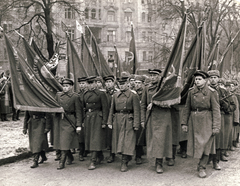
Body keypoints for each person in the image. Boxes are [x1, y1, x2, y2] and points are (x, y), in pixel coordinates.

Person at [181, 70, 221, 178]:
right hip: (194, 120)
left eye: (200, 79)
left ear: (205, 80)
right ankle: (200, 163)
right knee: (197, 144)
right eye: (196, 79)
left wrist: (216, 126)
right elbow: (187, 108)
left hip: (207, 120)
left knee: (206, 144)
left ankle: (202, 167)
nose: (197, 81)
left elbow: (216, 110)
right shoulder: (191, 92)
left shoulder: (212, 92)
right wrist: (184, 123)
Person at [141, 69, 173, 174]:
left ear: (159, 76)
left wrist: (155, 103)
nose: (152, 77)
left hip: (163, 117)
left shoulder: (165, 87)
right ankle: (155, 160)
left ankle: (160, 162)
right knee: (153, 140)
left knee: (162, 140)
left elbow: (170, 103)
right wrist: (143, 119)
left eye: (154, 75)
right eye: (150, 75)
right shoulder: (146, 88)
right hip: (151, 117)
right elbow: (143, 105)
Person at [107, 76, 140, 172]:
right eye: (120, 84)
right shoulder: (115, 95)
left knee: (127, 141)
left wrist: (136, 123)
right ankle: (125, 157)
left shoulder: (133, 95)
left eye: (123, 84)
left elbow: (137, 111)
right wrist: (109, 121)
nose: (122, 86)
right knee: (119, 141)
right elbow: (111, 109)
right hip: (117, 119)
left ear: (128, 84)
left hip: (128, 119)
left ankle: (124, 161)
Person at [207, 70, 236, 170]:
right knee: (207, 139)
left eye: (215, 77)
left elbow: (233, 106)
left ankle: (216, 161)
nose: (213, 79)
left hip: (221, 117)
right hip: (207, 117)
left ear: (218, 78)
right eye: (211, 77)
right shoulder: (205, 90)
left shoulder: (224, 91)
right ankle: (207, 158)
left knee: (219, 140)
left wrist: (225, 105)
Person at [53, 78, 83, 170]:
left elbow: (79, 112)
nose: (65, 88)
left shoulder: (75, 96)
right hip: (60, 120)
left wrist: (78, 125)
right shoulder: (58, 95)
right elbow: (54, 107)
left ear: (71, 87)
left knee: (65, 140)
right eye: (63, 86)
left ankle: (62, 161)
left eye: (67, 86)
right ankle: (70, 156)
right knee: (61, 141)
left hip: (70, 120)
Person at [82, 76, 108, 170]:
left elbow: (105, 108)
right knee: (90, 139)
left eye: (92, 83)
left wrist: (104, 121)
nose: (90, 85)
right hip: (88, 118)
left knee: (95, 139)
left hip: (97, 117)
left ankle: (92, 160)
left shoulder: (101, 94)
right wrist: (82, 120)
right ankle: (99, 155)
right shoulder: (85, 94)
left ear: (96, 84)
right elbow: (82, 108)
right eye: (88, 83)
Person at [103, 75, 118, 163]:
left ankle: (112, 154)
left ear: (113, 83)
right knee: (107, 136)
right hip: (106, 115)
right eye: (107, 82)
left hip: (114, 116)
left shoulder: (117, 93)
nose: (108, 84)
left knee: (113, 136)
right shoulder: (103, 93)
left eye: (110, 82)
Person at [134, 75, 145, 165]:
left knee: (139, 136)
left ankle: (138, 156)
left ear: (143, 84)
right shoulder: (132, 92)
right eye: (136, 83)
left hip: (141, 116)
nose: (137, 85)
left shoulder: (144, 93)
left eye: (139, 83)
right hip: (132, 116)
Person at [77, 77, 88, 161]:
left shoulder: (89, 93)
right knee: (81, 136)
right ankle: (81, 152)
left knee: (88, 135)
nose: (82, 85)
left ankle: (87, 150)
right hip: (80, 116)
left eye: (83, 83)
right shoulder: (77, 94)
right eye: (80, 83)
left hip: (88, 115)